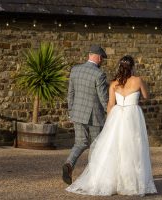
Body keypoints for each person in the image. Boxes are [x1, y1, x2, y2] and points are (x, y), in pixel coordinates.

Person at [65, 55, 157, 196]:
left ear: (120, 67)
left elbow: (110, 105)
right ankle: (130, 182)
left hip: (117, 116)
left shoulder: (114, 84)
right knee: (133, 148)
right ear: (132, 67)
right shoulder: (138, 80)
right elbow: (146, 96)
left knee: (115, 147)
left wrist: (109, 122)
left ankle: (112, 180)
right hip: (133, 116)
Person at [63, 44, 109, 185]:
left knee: (80, 143)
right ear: (99, 57)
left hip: (77, 113)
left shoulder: (75, 70)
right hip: (95, 116)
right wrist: (111, 112)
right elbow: (103, 98)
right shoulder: (99, 74)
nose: (102, 62)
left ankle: (69, 163)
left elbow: (70, 94)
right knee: (96, 145)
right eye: (102, 59)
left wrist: (71, 112)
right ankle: (94, 177)